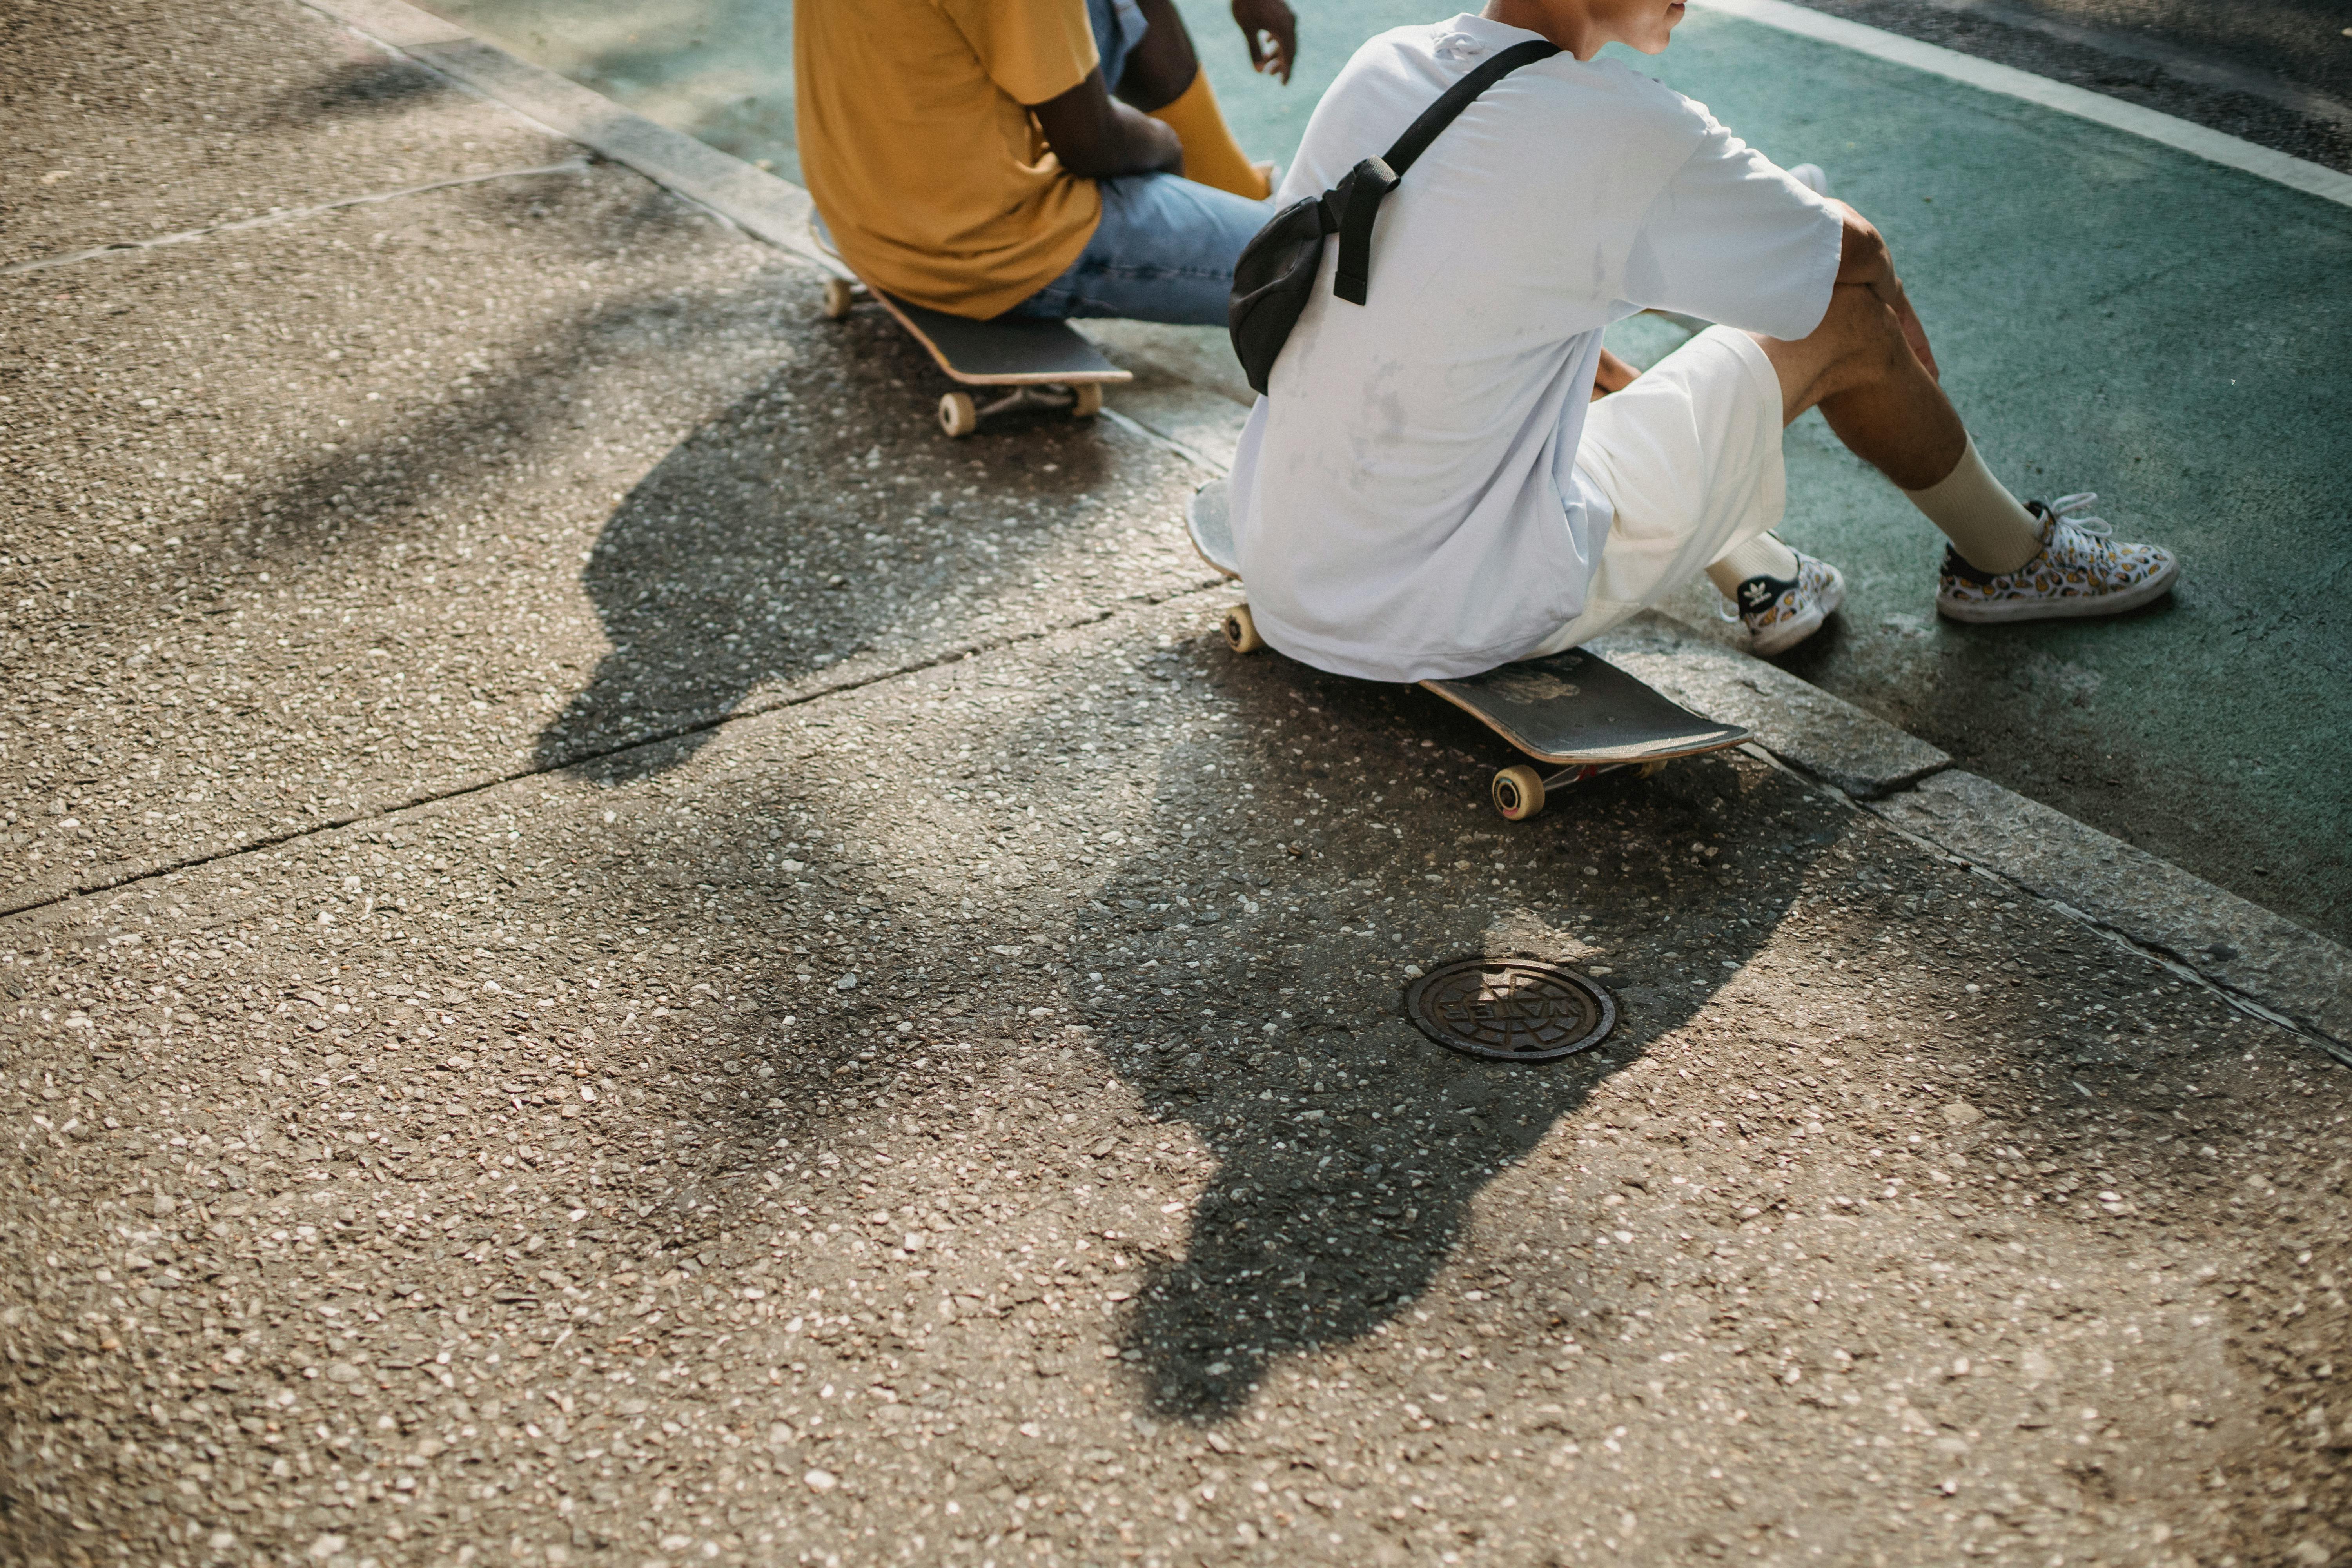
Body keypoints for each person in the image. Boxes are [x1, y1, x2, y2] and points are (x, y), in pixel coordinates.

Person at [1226, 0, 2179, 678]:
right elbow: (1843, 250)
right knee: (1841, 321)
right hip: (1446, 606)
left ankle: (1762, 570)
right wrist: (1885, 300)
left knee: (1531, 332)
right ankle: (2008, 561)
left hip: (1287, 559)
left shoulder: (1383, 62)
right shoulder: (1629, 131)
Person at [794, 0, 1296, 327]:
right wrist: (1167, 145)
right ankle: (1240, 212)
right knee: (1311, 267)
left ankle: (1228, 187)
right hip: (971, 246)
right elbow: (1091, 144)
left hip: (856, 195)